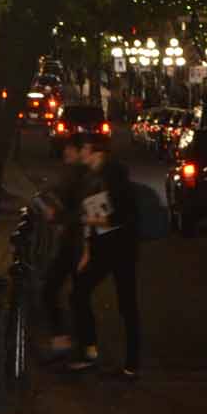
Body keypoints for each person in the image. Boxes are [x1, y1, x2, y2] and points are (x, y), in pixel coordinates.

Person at [70, 134, 140, 377]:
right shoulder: (92, 177)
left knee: (126, 302)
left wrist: (91, 220)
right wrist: (87, 251)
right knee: (80, 292)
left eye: (82, 150)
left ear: (91, 150)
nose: (79, 155)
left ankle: (132, 360)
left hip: (120, 247)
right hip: (102, 247)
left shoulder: (114, 175)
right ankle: (89, 350)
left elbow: (120, 216)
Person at [40, 131, 90, 358]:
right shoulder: (73, 174)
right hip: (71, 241)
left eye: (70, 148)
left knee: (71, 295)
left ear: (81, 152)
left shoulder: (88, 178)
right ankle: (70, 344)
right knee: (61, 292)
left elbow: (94, 215)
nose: (65, 152)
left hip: (79, 244)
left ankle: (80, 348)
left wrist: (58, 215)